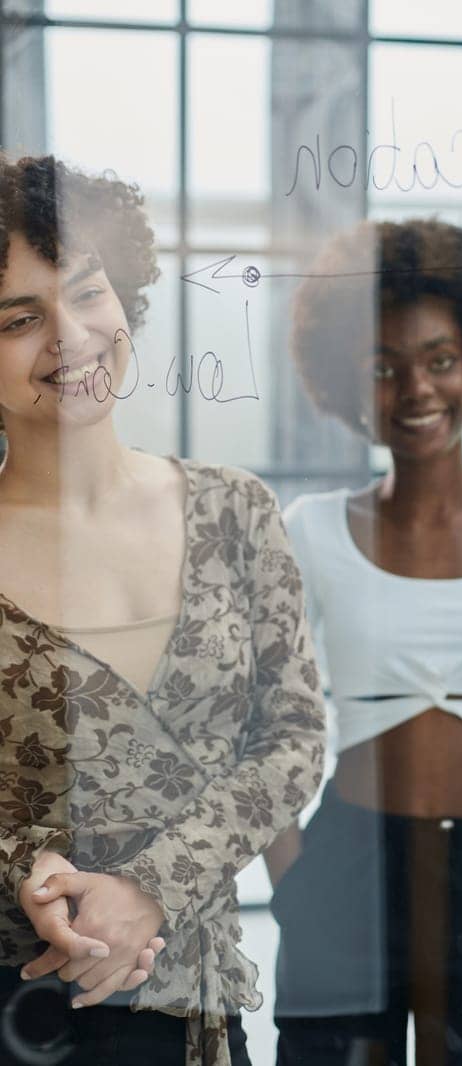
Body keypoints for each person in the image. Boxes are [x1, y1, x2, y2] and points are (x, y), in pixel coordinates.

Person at [0, 155, 325, 1065]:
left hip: (198, 998)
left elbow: (294, 739)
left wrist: (149, 884)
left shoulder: (235, 509)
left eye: (87, 293)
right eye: (20, 319)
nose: (70, 336)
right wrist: (28, 865)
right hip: (22, 1004)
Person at [269, 218, 462, 1065]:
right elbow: (257, 724)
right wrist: (292, 879)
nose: (416, 389)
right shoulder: (311, 531)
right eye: (382, 367)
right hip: (347, 864)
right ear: (349, 384)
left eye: (440, 359)